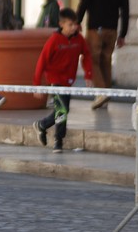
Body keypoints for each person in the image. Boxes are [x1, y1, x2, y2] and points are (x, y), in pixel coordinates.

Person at [33, 8, 93, 153]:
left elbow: (86, 55)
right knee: (62, 109)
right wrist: (37, 84)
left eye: (76, 24)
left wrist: (88, 75)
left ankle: (42, 125)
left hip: (69, 80)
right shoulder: (54, 40)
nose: (74, 27)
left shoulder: (79, 40)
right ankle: (58, 141)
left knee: (64, 110)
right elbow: (42, 61)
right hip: (55, 79)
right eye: (70, 25)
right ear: (62, 24)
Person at [77, 0, 129, 110]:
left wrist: (77, 21)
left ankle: (101, 92)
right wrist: (122, 34)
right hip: (112, 30)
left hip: (95, 29)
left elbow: (83, 3)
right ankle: (105, 96)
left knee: (92, 59)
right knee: (106, 61)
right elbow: (125, 11)